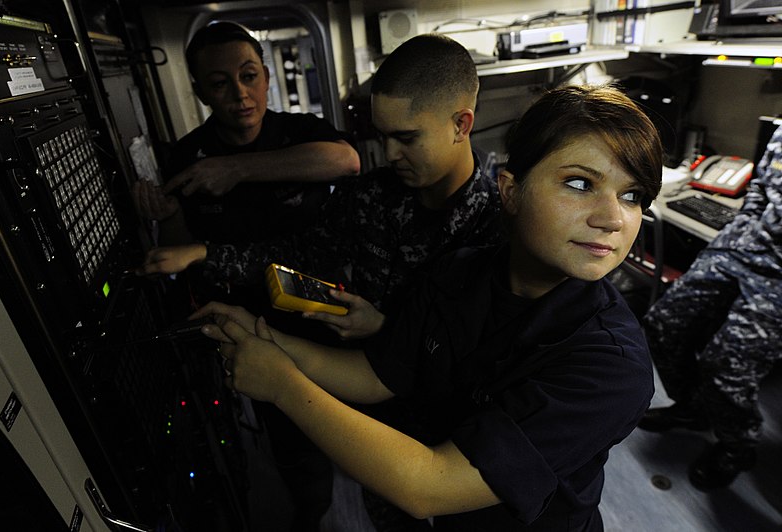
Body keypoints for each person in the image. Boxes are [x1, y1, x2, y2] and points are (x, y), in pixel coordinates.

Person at [191, 84, 663, 531]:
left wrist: (284, 386)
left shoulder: (610, 366)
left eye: (632, 196)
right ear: (511, 190)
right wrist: (265, 337)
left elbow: (430, 485)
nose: (612, 218)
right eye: (580, 183)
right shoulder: (458, 273)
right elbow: (377, 376)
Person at [139, 33, 505, 530]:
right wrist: (205, 252)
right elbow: (300, 252)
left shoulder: (506, 220)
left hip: (471, 447)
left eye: (406, 137)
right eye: (381, 136)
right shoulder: (374, 197)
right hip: (381, 422)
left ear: (461, 124)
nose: (389, 153)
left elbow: (499, 347)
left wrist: (388, 329)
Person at [637, 123, 782, 491]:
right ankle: (691, 407)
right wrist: (741, 234)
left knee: (726, 366)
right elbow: (761, 190)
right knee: (665, 325)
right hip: (743, 248)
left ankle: (737, 446)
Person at [132, 20, 360, 247]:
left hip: (312, 274)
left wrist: (235, 168)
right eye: (220, 83)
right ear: (201, 93)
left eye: (249, 76)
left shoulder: (301, 130)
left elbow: (347, 161)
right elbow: (178, 252)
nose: (240, 93)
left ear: (266, 78)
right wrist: (169, 217)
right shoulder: (187, 157)